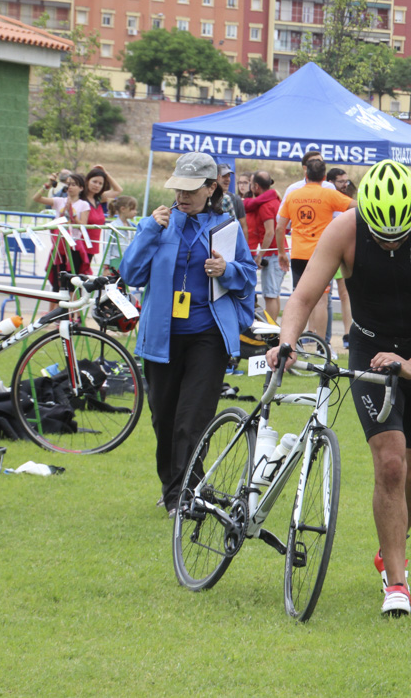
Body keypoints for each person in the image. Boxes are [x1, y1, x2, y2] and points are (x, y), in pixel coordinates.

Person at [267, 160, 411, 617]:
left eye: (398, 236)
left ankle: (389, 544)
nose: (389, 243)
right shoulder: (344, 230)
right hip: (370, 351)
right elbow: (303, 294)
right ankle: (397, 581)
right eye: (381, 235)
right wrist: (287, 340)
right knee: (391, 465)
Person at [120, 152, 257, 517]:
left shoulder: (227, 226)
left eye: (191, 189)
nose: (182, 196)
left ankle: (187, 495)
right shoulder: (158, 223)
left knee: (192, 420)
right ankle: (173, 488)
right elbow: (131, 273)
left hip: (207, 337)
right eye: (178, 187)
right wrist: (149, 229)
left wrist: (227, 269)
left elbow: (248, 276)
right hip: (161, 339)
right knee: (164, 420)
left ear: (211, 187)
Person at [276, 158, 355, 339]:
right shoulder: (329, 194)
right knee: (320, 300)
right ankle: (322, 345)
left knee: (298, 299)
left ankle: (292, 340)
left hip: (298, 254)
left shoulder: (293, 195)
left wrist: (282, 252)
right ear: (324, 177)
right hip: (321, 255)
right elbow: (356, 207)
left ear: (306, 175)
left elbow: (280, 227)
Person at [32, 172, 89, 287]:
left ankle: (73, 305)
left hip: (74, 246)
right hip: (59, 246)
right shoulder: (59, 201)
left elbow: (83, 225)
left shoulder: (83, 204)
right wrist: (48, 184)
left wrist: (73, 215)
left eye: (74, 184)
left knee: (73, 283)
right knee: (57, 284)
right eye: (69, 184)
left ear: (81, 188)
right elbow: (36, 198)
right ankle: (57, 304)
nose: (70, 187)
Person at [244, 171, 284, 318]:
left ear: (255, 186)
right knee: (274, 294)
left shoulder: (265, 206)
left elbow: (269, 232)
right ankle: (274, 330)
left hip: (272, 253)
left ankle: (270, 335)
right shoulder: (275, 201)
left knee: (269, 295)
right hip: (278, 251)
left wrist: (260, 255)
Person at [327, 167, 354, 349]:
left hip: (345, 250)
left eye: (346, 181)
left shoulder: (348, 198)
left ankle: (348, 334)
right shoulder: (327, 196)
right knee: (322, 297)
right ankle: (316, 335)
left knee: (346, 294)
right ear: (330, 182)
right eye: (341, 181)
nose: (345, 184)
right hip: (328, 250)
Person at [79, 166, 122, 271]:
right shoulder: (80, 198)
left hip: (92, 244)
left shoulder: (98, 198)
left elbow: (118, 190)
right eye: (94, 181)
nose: (97, 185)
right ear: (87, 181)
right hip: (79, 244)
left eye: (100, 183)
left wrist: (106, 174)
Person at [104, 195, 139, 272]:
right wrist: (106, 267)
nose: (135, 212)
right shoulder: (113, 226)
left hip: (128, 261)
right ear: (123, 209)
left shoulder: (132, 226)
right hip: (115, 261)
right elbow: (107, 247)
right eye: (132, 209)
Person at [216, 163, 248, 240]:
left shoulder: (235, 199)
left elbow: (243, 226)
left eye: (229, 176)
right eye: (224, 176)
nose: (227, 179)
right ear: (217, 178)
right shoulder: (208, 198)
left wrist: (244, 249)